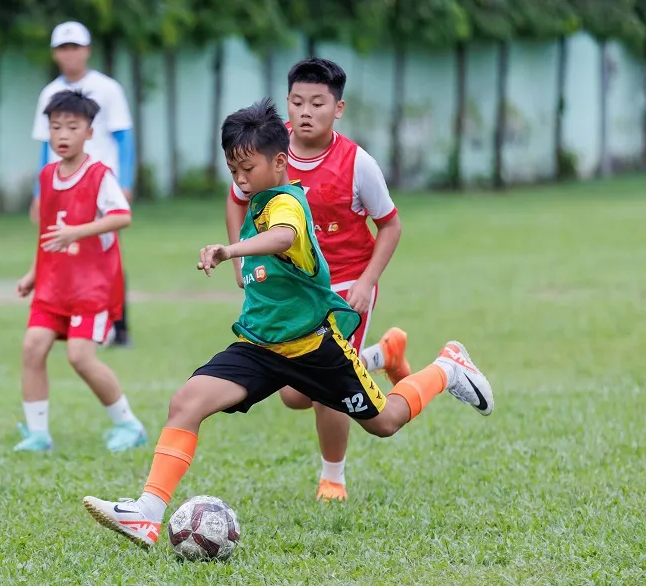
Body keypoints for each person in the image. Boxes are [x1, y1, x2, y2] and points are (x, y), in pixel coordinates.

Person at [81, 98, 494, 548]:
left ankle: (447, 367)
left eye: (247, 169)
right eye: (232, 171)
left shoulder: (286, 203)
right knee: (186, 402)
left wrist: (230, 250)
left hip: (314, 349)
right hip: (259, 347)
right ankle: (147, 513)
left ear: (279, 162)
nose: (240, 180)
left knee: (385, 422)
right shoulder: (257, 199)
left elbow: (285, 236)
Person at [226, 58, 409, 502]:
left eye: (317, 103)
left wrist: (367, 281)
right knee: (293, 395)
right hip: (294, 293)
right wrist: (238, 259)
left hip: (343, 292)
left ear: (338, 108)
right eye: (296, 101)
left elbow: (391, 225)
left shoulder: (357, 164)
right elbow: (235, 199)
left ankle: (333, 479)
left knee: (327, 391)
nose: (305, 111)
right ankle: (380, 356)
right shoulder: (268, 154)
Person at [15, 89, 147, 453]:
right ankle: (38, 434)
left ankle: (129, 424)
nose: (62, 134)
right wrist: (33, 273)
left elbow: (123, 216)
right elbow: (47, 233)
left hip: (92, 288)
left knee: (79, 356)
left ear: (89, 133)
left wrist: (78, 230)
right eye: (55, 126)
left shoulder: (100, 175)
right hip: (54, 284)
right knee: (32, 347)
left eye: (72, 127)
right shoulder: (45, 177)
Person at [31, 21, 134, 348]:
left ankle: (118, 325)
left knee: (105, 252)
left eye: (75, 47)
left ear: (87, 50)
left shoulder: (107, 89)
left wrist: (126, 182)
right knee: (63, 249)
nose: (70, 54)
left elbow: (123, 137)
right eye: (63, 48)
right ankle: (67, 317)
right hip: (61, 184)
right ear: (55, 53)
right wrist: (39, 193)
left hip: (98, 183)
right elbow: (42, 147)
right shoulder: (49, 93)